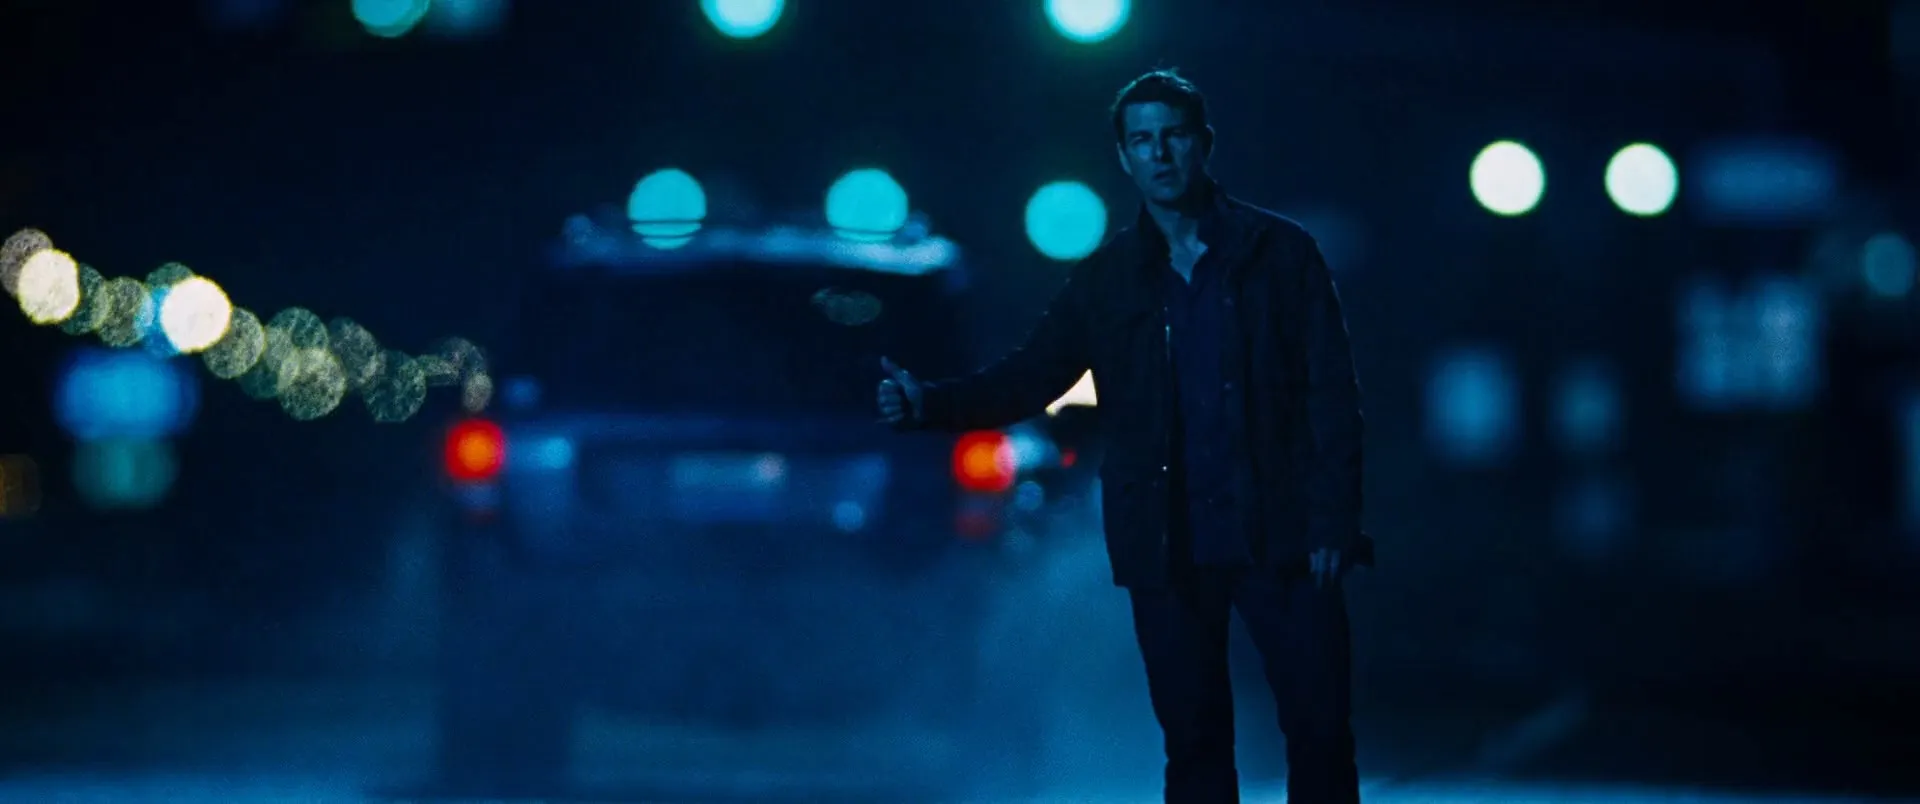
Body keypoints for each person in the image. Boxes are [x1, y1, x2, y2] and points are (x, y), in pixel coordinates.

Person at [877, 68, 1371, 803]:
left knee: (1319, 728)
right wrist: (931, 403)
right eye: (1143, 141)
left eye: (1173, 137)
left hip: (1282, 530)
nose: (1160, 154)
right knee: (1194, 742)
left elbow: (1331, 395)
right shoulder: (1110, 277)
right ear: (1124, 157)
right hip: (1166, 541)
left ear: (1203, 144)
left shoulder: (1280, 255)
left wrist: (1332, 520)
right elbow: (1033, 375)